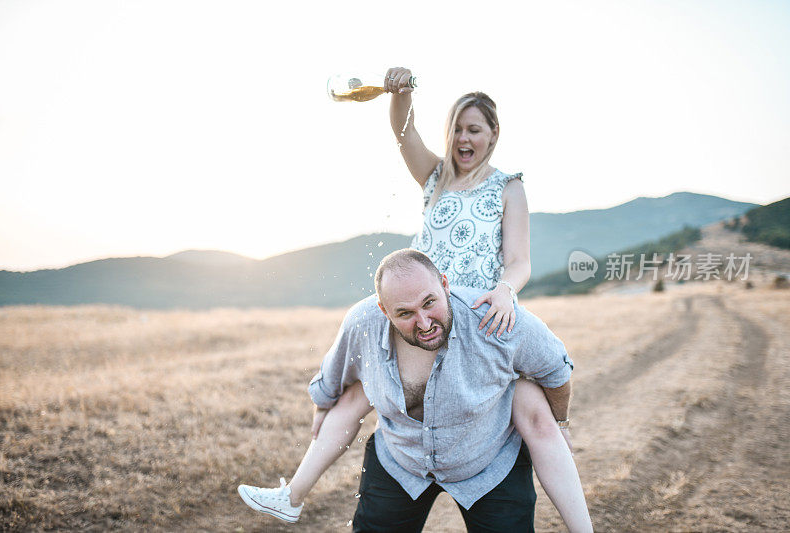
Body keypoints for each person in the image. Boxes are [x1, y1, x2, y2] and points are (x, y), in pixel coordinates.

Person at [237, 68, 593, 531]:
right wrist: (399, 93)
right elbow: (403, 132)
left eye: (475, 130)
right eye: (458, 129)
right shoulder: (436, 176)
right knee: (361, 386)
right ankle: (292, 495)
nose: (464, 138)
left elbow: (519, 261)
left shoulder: (509, 187)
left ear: (493, 134)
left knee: (530, 408)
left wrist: (506, 292)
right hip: (416, 303)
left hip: (477, 315)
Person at [241, 250, 588, 531]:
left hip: (487, 462)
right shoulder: (362, 322)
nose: (423, 323)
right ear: (383, 310)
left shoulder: (499, 323)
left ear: (445, 284)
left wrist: (561, 423)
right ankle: (291, 497)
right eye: (405, 313)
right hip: (400, 460)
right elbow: (334, 376)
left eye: (429, 303)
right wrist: (322, 409)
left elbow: (556, 372)